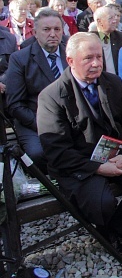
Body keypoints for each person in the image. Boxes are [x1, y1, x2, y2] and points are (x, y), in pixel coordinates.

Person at [37, 33, 122, 256]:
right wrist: (97, 168)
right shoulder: (52, 96)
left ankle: (114, 230)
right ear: (70, 61)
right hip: (79, 164)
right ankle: (107, 232)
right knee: (103, 201)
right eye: (88, 58)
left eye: (99, 57)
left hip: (115, 154)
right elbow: (56, 151)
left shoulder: (113, 82)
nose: (96, 63)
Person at [5, 10, 65, 171]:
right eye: (46, 30)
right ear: (36, 33)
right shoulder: (20, 59)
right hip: (34, 119)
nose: (53, 34)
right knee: (38, 153)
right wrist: (44, 125)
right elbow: (15, 104)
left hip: (71, 118)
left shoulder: (71, 54)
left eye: (57, 29)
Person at [91, 6, 122, 75]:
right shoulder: (90, 39)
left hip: (118, 79)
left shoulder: (120, 36)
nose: (115, 21)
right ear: (99, 21)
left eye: (115, 17)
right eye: (110, 18)